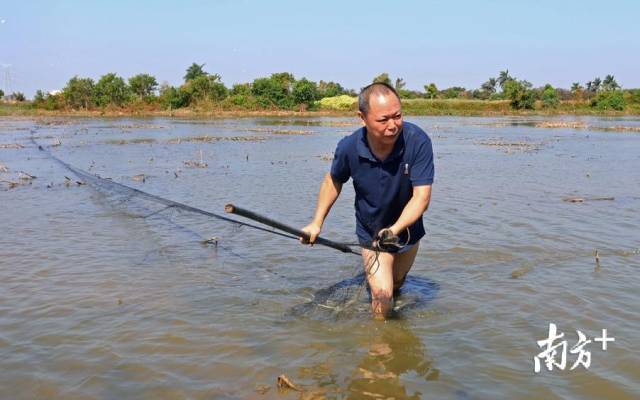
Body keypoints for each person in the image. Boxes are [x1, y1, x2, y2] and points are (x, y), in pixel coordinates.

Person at [301, 82, 434, 319]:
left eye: (398, 116)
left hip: (408, 230)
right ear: (362, 118)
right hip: (372, 231)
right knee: (382, 297)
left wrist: (394, 230)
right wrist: (316, 222)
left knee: (397, 284)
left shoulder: (417, 141)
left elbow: (421, 197)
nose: (393, 125)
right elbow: (334, 181)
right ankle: (380, 349)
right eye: (383, 120)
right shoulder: (349, 147)